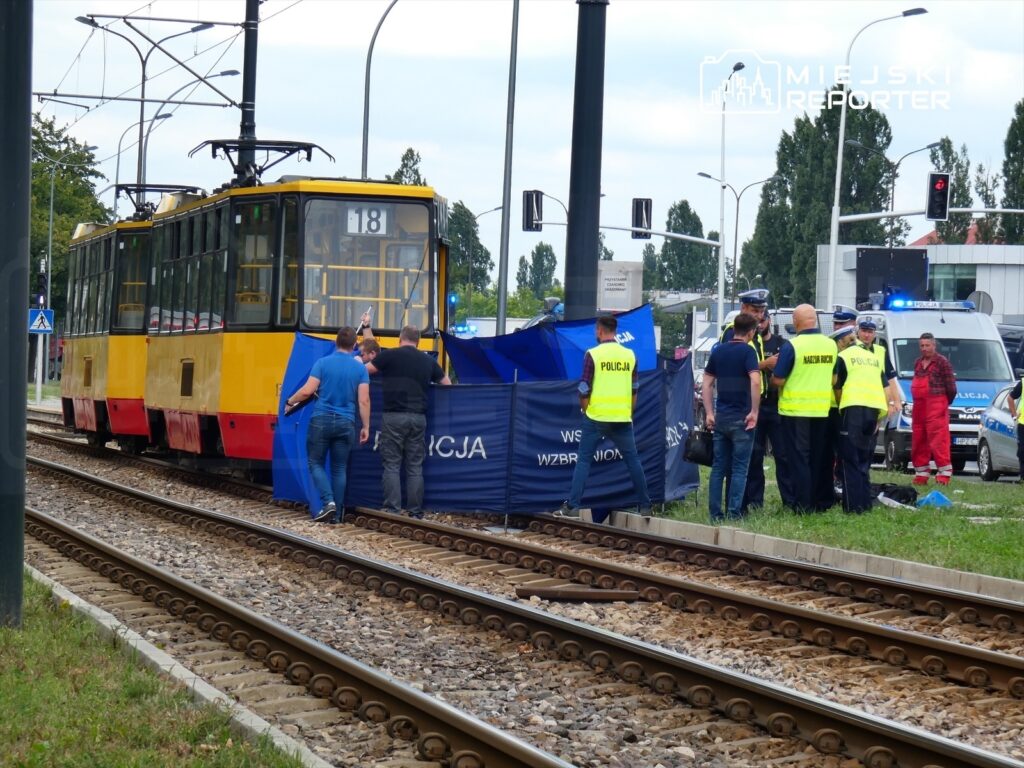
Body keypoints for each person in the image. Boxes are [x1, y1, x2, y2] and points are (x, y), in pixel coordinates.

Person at [556, 314, 652, 519]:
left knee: (583, 462)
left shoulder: (593, 354)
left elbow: (583, 388)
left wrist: (586, 409)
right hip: (622, 417)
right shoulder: (630, 355)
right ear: (615, 331)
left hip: (596, 416)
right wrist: (628, 413)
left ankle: (572, 506)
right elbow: (634, 389)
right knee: (633, 461)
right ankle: (645, 505)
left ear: (599, 331)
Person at [284, 326, 370, 523]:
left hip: (321, 420)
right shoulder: (360, 369)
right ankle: (337, 517)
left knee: (315, 462)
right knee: (339, 468)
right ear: (355, 345)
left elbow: (307, 391)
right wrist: (365, 426)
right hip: (346, 422)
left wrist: (290, 401)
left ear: (336, 342)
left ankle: (328, 502)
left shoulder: (322, 363)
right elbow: (364, 400)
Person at [366, 325, 451, 518]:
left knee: (392, 464)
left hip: (393, 416)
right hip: (418, 418)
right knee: (414, 466)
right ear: (418, 341)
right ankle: (415, 511)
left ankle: (392, 509)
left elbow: (365, 371)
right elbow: (447, 384)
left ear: (400, 338)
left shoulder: (389, 356)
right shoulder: (428, 361)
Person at [772, 304, 838, 512]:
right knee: (819, 458)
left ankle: (803, 505)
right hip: (822, 410)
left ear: (795, 322)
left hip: (796, 412)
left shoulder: (793, 346)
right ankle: (820, 503)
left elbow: (779, 380)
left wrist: (773, 378)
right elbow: (834, 378)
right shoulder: (830, 345)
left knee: (799, 459)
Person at [703, 312, 761, 522]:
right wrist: (754, 411)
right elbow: (755, 381)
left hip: (722, 418)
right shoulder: (748, 352)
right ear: (751, 332)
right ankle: (734, 514)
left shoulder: (718, 351)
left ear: (734, 329)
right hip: (742, 419)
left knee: (718, 468)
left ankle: (715, 515)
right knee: (739, 469)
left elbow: (707, 383)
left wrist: (710, 413)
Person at [742, 311, 794, 510]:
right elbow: (742, 368)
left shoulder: (781, 344)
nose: (759, 324)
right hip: (755, 406)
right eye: (756, 322)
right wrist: (765, 364)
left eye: (762, 320)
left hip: (777, 405)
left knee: (783, 455)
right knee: (755, 456)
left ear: (769, 321)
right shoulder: (750, 344)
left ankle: (789, 501)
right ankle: (755, 502)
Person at [833, 328, 888, 513]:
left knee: (849, 461)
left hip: (853, 410)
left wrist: (842, 404)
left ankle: (853, 507)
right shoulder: (873, 359)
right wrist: (880, 416)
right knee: (864, 462)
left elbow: (837, 385)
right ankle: (865, 504)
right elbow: (884, 387)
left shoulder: (845, 356)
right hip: (873, 413)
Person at [910, 332, 957, 485]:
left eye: (927, 345)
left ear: (934, 345)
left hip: (936, 405)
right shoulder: (917, 362)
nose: (924, 348)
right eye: (922, 346)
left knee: (939, 440)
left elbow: (951, 388)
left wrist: (943, 403)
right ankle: (921, 475)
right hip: (919, 407)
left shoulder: (942, 362)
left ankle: (943, 475)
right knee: (919, 439)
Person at [856, 319, 900, 422]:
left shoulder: (880, 351)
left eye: (870, 332)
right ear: (858, 332)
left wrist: (895, 402)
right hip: (857, 403)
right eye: (864, 331)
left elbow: (890, 378)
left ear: (874, 334)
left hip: (876, 404)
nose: (867, 335)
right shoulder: (852, 349)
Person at [1007, 377, 1024, 483]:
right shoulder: (1023, 382)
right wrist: (1014, 415)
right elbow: (1010, 398)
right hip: (1023, 423)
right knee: (1022, 451)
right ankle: (1023, 478)